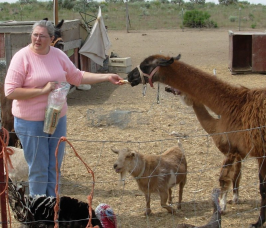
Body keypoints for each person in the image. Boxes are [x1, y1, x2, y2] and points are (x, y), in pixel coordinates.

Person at [4, 19, 124, 197]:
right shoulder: (22, 57)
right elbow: (10, 91)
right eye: (34, 35)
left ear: (51, 38)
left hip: (56, 119)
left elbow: (77, 76)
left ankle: (53, 209)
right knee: (38, 167)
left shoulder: (58, 56)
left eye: (42, 36)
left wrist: (106, 77)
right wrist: (42, 90)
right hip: (30, 122)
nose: (37, 39)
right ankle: (39, 212)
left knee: (54, 166)